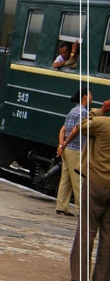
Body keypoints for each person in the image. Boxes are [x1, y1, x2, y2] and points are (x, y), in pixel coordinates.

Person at [69, 98, 110, 281]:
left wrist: (101, 110)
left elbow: (82, 125)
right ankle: (102, 279)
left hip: (96, 183)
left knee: (88, 228)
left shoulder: (102, 123)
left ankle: (80, 275)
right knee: (108, 233)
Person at [55, 87, 91, 216]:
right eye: (90, 94)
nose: (92, 97)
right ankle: (81, 210)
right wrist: (66, 143)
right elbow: (75, 130)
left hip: (67, 150)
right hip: (76, 149)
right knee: (78, 180)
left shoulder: (73, 110)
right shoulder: (83, 112)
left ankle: (61, 205)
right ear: (85, 96)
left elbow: (63, 129)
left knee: (66, 179)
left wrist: (61, 144)